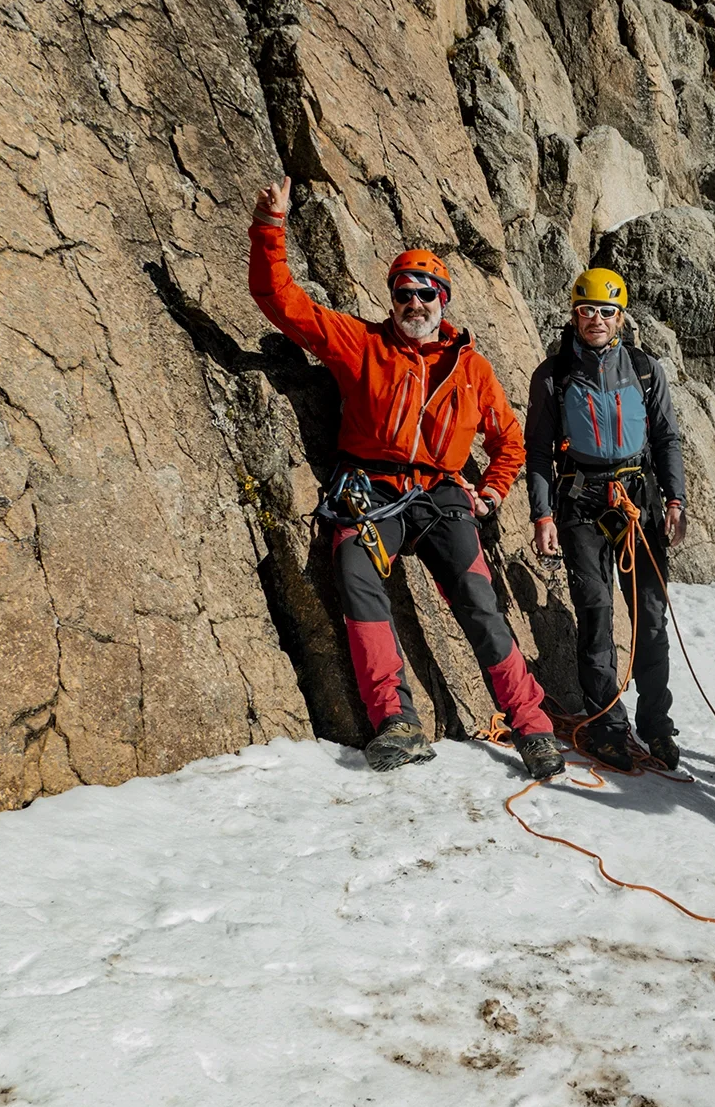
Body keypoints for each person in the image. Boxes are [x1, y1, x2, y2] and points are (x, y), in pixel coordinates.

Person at [248, 176, 563, 780]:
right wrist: (271, 229)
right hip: (369, 487)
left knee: (478, 601)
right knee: (357, 580)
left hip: (443, 495)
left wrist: (493, 490)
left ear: (443, 300)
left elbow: (510, 441)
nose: (413, 304)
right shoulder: (360, 343)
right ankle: (396, 720)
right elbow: (279, 299)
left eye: (424, 294)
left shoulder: (471, 368)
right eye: (402, 294)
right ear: (391, 299)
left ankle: (532, 726)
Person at [526, 269, 687, 772]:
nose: (596, 319)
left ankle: (656, 725)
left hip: (638, 499)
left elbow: (666, 439)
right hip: (580, 502)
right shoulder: (551, 376)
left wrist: (676, 500)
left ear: (621, 317)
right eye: (588, 310)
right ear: (574, 314)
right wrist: (543, 512)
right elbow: (537, 451)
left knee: (650, 617)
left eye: (606, 311)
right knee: (595, 613)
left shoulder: (644, 369)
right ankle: (607, 723)